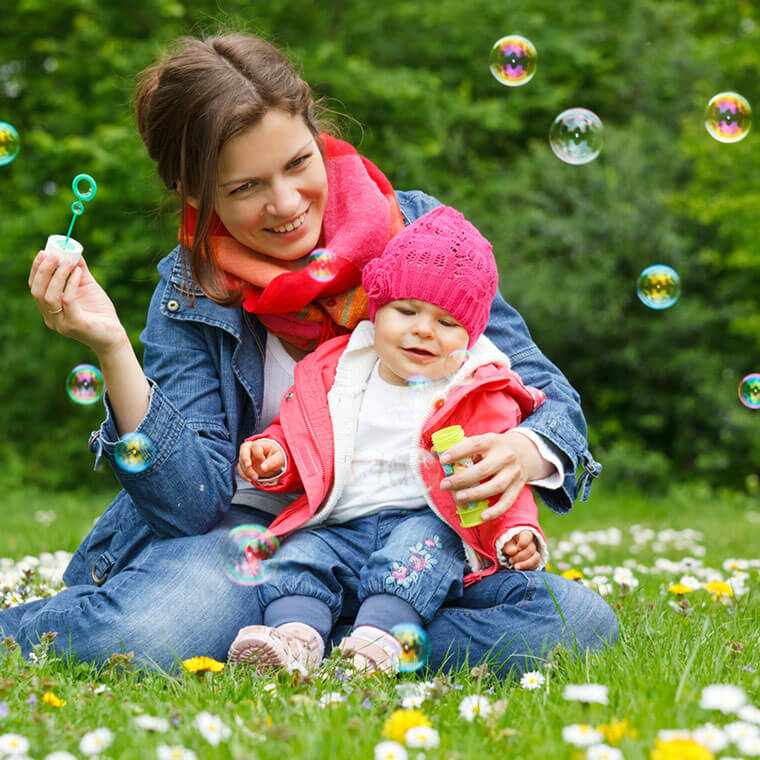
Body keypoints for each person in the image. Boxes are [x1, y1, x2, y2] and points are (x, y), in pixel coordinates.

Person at [2, 32, 617, 676]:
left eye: (299, 163)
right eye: (245, 187)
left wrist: (523, 451)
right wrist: (111, 345)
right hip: (250, 542)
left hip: (415, 542)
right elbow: (192, 503)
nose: (288, 205)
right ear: (193, 192)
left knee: (579, 626)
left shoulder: (422, 237)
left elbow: (549, 398)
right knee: (140, 637)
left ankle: (318, 628)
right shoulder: (192, 288)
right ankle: (329, 626)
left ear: (318, 134)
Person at [228, 205, 549, 675]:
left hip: (425, 519)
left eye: (446, 323)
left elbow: (495, 475)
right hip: (337, 522)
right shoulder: (338, 370)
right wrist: (276, 456)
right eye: (406, 311)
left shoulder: (475, 389)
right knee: (299, 560)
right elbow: (304, 434)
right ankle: (294, 639)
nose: (423, 330)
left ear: (471, 335)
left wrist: (517, 532)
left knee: (415, 558)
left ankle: (377, 641)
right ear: (375, 312)